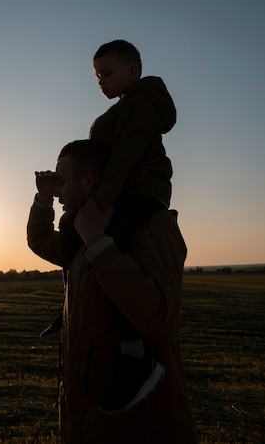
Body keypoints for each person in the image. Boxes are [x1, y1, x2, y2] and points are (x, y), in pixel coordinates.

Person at [27, 139, 196, 444]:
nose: (58, 191)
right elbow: (40, 241)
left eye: (61, 182)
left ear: (89, 180)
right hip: (87, 422)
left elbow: (157, 317)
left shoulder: (150, 225)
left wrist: (99, 242)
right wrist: (42, 199)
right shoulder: (79, 235)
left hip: (140, 427)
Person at [42, 39, 177, 413]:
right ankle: (69, 306)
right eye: (97, 75)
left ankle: (136, 358)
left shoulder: (138, 106)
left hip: (138, 195)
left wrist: (101, 204)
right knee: (74, 232)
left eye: (108, 73)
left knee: (104, 246)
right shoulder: (126, 107)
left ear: (133, 71)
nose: (100, 81)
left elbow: (124, 158)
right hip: (121, 193)